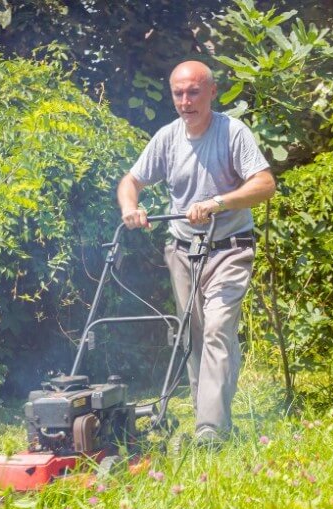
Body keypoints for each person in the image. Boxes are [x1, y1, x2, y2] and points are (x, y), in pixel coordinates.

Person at [117, 60, 275, 448]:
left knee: (219, 329)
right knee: (192, 333)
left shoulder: (232, 133)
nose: (185, 101)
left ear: (211, 92)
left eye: (193, 92)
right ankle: (205, 415)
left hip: (230, 249)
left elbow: (265, 184)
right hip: (182, 250)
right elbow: (131, 181)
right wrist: (130, 208)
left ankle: (211, 429)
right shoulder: (168, 138)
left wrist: (219, 202)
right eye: (178, 93)